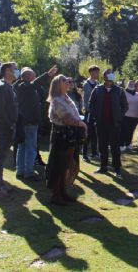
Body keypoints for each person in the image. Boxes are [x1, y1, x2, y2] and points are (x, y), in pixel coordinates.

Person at [46, 75, 88, 206]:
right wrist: (81, 124)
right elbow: (65, 119)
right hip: (61, 136)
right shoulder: (57, 100)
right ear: (58, 85)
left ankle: (63, 192)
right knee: (59, 165)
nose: (68, 82)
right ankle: (56, 195)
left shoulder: (66, 97)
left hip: (69, 135)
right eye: (64, 81)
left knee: (67, 165)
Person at [14, 65, 58, 181]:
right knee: (30, 147)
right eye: (33, 75)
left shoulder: (22, 86)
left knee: (22, 147)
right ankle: (28, 172)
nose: (35, 76)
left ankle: (20, 171)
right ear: (28, 76)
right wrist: (47, 75)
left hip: (25, 121)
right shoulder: (24, 86)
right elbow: (35, 84)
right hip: (29, 122)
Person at [89, 69, 128, 177]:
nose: (109, 82)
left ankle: (117, 168)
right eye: (107, 79)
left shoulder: (119, 90)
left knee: (115, 147)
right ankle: (103, 166)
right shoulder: (97, 89)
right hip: (101, 123)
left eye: (110, 80)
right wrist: (95, 115)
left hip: (114, 124)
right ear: (104, 79)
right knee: (102, 146)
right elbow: (91, 104)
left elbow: (125, 106)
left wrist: (119, 115)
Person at [0, 62, 20, 198]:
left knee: (1, 158)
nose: (16, 72)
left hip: (7, 127)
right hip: (3, 128)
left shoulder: (8, 86)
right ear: (7, 71)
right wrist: (10, 125)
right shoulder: (2, 87)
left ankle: (1, 184)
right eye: (14, 69)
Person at [82, 65, 100, 162]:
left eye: (98, 72)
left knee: (95, 133)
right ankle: (84, 153)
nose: (97, 74)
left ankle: (94, 152)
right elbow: (86, 100)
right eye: (96, 72)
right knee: (88, 133)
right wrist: (88, 110)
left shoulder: (98, 83)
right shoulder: (86, 84)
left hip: (97, 113)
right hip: (89, 112)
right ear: (91, 73)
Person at [121, 80, 138, 152]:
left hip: (136, 116)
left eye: (132, 83)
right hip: (125, 115)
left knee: (131, 131)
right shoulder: (123, 93)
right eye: (129, 83)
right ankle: (121, 144)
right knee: (124, 130)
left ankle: (128, 144)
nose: (131, 84)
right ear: (127, 84)